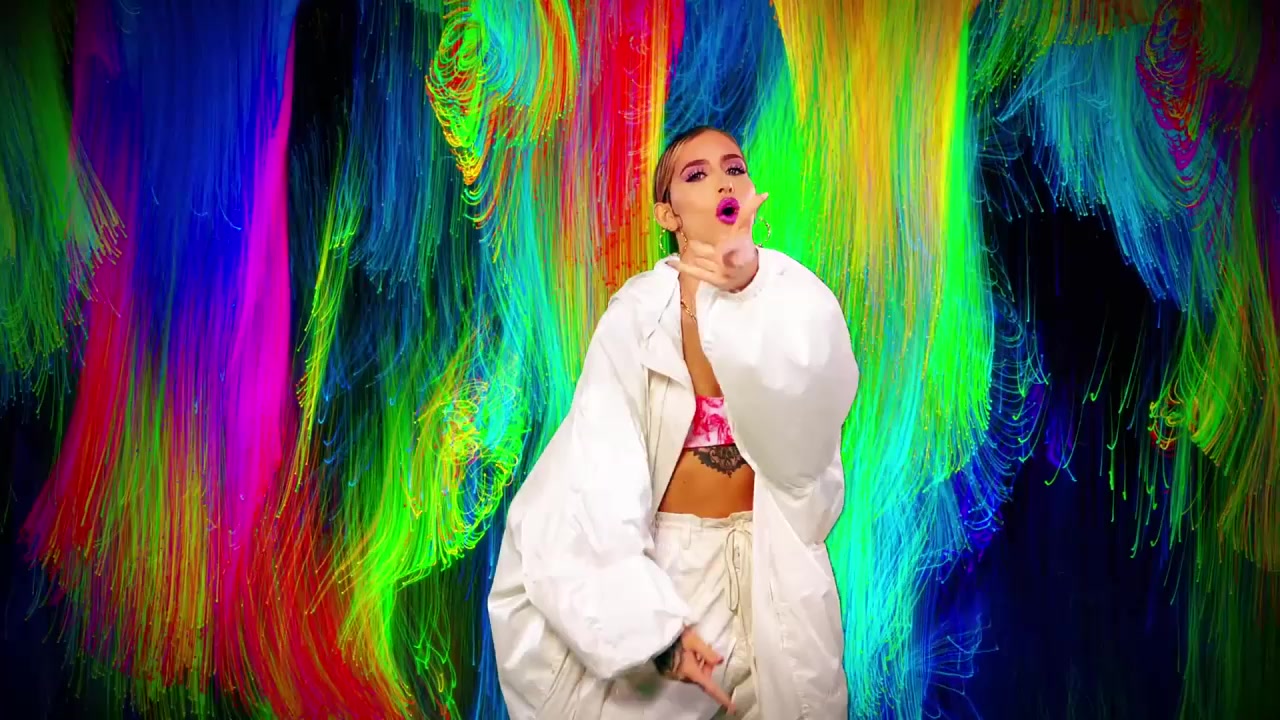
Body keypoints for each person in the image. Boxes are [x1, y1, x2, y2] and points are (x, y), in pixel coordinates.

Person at [487, 125, 859, 719]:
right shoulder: (637, 316)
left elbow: (808, 440)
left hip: (774, 576)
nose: (722, 182)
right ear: (669, 214)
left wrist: (748, 289)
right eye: (697, 174)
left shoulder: (795, 297)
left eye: (734, 168)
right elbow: (600, 473)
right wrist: (652, 627)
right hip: (677, 571)